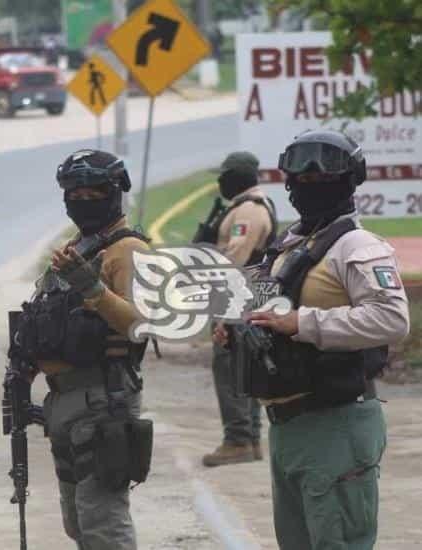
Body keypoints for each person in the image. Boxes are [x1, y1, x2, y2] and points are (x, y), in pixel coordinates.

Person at [218, 130, 410, 549]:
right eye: (301, 179)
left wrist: (303, 323)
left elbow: (392, 319)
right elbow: (267, 309)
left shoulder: (357, 247)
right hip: (287, 426)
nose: (310, 185)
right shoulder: (289, 246)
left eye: (323, 178)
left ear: (348, 181)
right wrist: (239, 330)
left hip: (336, 423)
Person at [20, 149, 151, 549]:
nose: (84, 200)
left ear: (115, 193)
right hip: (65, 401)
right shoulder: (77, 248)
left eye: (95, 191)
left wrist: (91, 288)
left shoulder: (127, 250)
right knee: (78, 522)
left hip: (103, 399)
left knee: (103, 523)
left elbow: (140, 326)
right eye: (75, 192)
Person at [196, 151, 277, 467]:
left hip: (237, 297)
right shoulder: (248, 207)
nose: (219, 182)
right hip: (245, 296)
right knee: (244, 366)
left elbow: (235, 259)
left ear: (237, 177)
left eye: (224, 176)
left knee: (230, 368)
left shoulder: (248, 212)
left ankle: (238, 439)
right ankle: (250, 440)